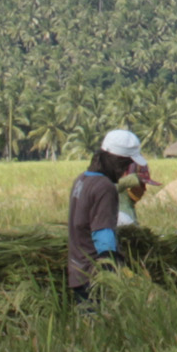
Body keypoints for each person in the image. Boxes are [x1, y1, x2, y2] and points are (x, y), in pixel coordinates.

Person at [68, 129, 141, 304]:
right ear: (114, 160)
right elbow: (103, 234)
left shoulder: (81, 180)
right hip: (94, 277)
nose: (125, 172)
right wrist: (114, 272)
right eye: (125, 165)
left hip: (77, 272)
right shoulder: (104, 187)